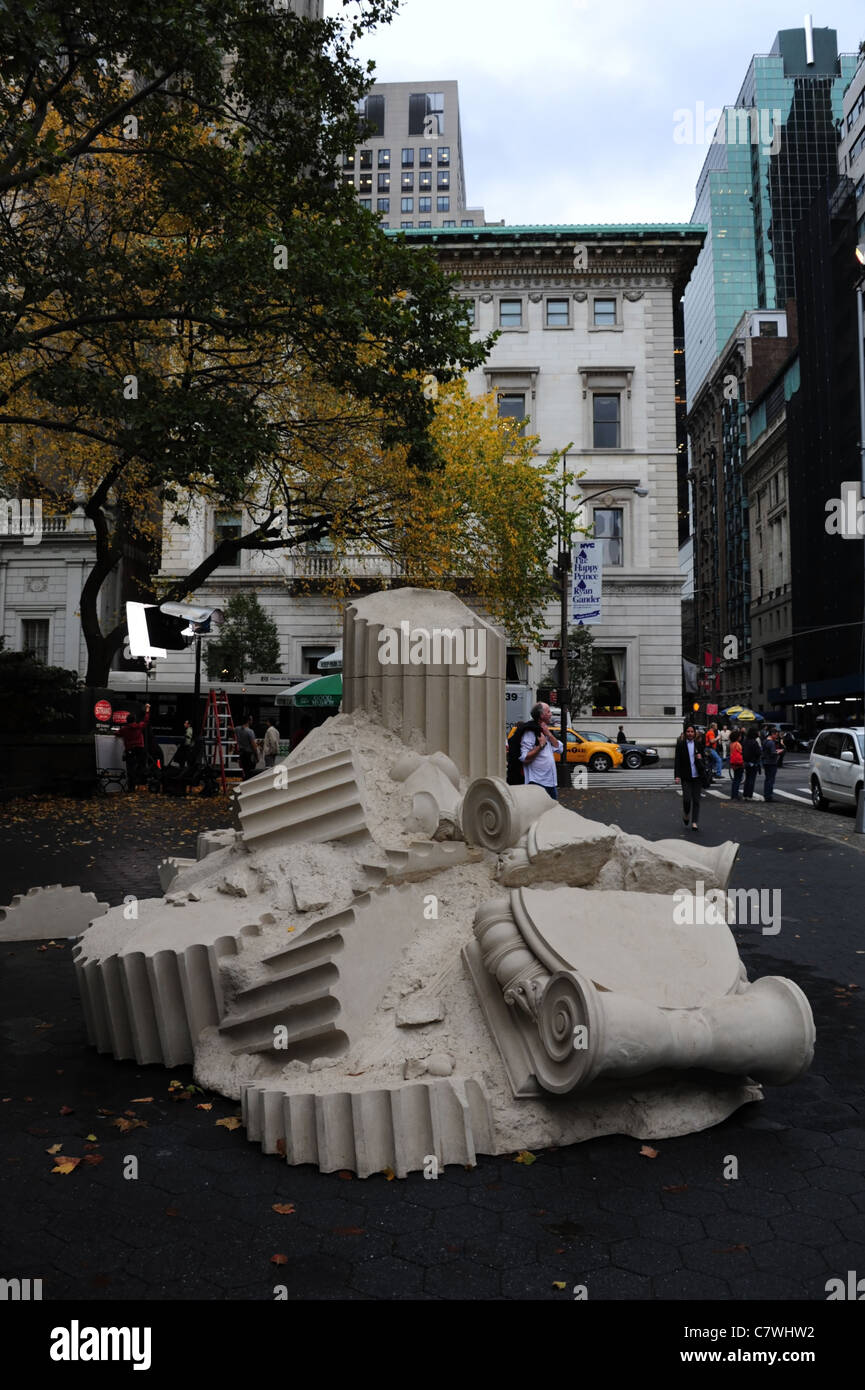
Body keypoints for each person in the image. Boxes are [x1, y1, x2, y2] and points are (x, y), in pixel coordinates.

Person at [520, 701, 563, 800]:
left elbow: (560, 749)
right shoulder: (530, 733)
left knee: (553, 812)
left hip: (551, 783)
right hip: (537, 782)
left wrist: (549, 734)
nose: (551, 714)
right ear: (541, 715)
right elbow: (524, 758)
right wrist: (541, 745)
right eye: (548, 712)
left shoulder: (545, 730)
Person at [674, 725, 707, 831]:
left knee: (696, 800)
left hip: (697, 776)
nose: (690, 733)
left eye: (692, 731)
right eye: (688, 731)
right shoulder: (680, 745)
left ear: (695, 733)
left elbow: (704, 760)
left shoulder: (699, 744)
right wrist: (677, 776)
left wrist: (701, 758)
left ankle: (694, 822)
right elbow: (677, 761)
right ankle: (686, 813)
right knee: (687, 799)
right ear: (685, 733)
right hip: (686, 776)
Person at [116, 703, 150, 793]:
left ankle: (131, 788)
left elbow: (117, 734)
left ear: (127, 721)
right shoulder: (138, 726)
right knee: (142, 766)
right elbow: (146, 721)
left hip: (130, 750)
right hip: (139, 748)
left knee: (130, 769)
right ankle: (142, 784)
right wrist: (147, 711)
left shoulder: (124, 729)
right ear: (134, 720)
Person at [236, 716, 260, 780]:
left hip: (241, 753)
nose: (252, 721)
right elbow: (254, 745)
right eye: (251, 720)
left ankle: (243, 783)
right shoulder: (250, 731)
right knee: (250, 772)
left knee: (244, 770)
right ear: (248, 721)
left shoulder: (237, 729)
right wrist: (257, 756)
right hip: (249, 754)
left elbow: (231, 729)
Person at [742, 728, 762, 800]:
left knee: (747, 779)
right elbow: (758, 753)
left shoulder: (745, 741)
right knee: (752, 780)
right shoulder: (754, 742)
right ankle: (749, 795)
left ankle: (745, 795)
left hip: (746, 762)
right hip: (753, 762)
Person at [761, 727, 779, 802]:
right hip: (771, 763)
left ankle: (766, 794)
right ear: (773, 734)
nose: (777, 736)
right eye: (776, 735)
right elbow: (773, 753)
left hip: (766, 762)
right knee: (771, 780)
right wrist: (778, 752)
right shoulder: (771, 742)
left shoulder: (765, 741)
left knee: (767, 779)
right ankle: (769, 796)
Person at [729, 730, 744, 799]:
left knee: (735, 779)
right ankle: (735, 795)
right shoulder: (738, 744)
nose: (740, 737)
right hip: (738, 763)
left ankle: (733, 794)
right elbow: (741, 752)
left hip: (733, 763)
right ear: (737, 737)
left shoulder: (731, 744)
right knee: (738, 779)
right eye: (740, 736)